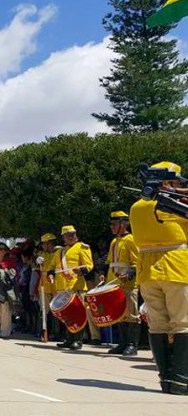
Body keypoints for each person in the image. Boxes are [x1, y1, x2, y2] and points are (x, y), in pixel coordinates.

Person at [129, 161, 188, 395]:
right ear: (166, 182)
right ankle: (182, 380)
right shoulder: (173, 206)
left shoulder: (136, 207)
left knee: (158, 325)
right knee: (183, 323)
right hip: (176, 267)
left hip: (147, 271)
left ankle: (166, 379)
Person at [99, 211, 141, 356]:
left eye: (114, 224)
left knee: (131, 314)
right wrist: (104, 276)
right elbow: (110, 262)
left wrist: (130, 274)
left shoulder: (131, 239)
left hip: (128, 284)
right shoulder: (114, 241)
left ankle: (132, 345)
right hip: (114, 284)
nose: (112, 227)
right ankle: (122, 343)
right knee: (119, 314)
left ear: (124, 224)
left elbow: (137, 262)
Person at [48, 225, 94, 351]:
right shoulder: (59, 251)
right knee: (67, 315)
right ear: (63, 237)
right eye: (68, 234)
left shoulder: (82, 247)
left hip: (76, 286)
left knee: (78, 314)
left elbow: (89, 265)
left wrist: (81, 270)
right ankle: (69, 339)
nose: (71, 236)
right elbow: (52, 267)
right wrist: (51, 274)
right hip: (62, 287)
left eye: (73, 234)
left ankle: (78, 340)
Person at [35, 234, 61, 341]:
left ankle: (57, 333)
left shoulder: (59, 252)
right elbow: (36, 265)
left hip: (56, 284)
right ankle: (43, 332)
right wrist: (37, 261)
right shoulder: (42, 254)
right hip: (44, 285)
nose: (43, 246)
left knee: (57, 310)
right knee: (44, 310)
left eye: (45, 243)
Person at [0, 243, 17, 339]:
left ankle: (5, 332)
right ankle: (8, 327)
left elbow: (12, 273)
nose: (0, 251)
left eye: (2, 250)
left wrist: (2, 270)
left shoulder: (10, 260)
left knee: (5, 310)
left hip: (5, 288)